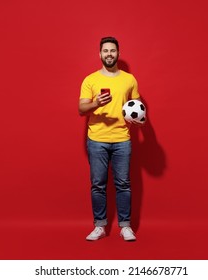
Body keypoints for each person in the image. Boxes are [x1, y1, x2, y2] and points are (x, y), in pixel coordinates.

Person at [79, 37, 143, 241]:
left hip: (122, 139)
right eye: (105, 51)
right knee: (98, 184)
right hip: (96, 138)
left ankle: (125, 226)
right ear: (100, 54)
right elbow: (81, 109)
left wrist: (140, 118)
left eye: (112, 51)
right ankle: (100, 226)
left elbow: (137, 105)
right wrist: (96, 103)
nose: (109, 54)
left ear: (118, 53)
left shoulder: (129, 79)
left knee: (123, 183)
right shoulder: (90, 80)